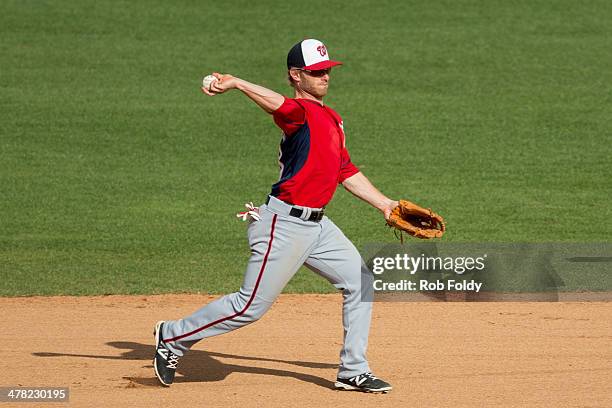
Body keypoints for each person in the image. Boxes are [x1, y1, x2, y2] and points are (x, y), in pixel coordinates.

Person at [153, 38, 398, 393]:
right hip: (284, 226)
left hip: (319, 227)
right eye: (316, 72)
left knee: (360, 283)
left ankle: (352, 370)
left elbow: (345, 170)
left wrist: (385, 204)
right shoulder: (298, 113)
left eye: (327, 70)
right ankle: (171, 336)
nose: (325, 76)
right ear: (296, 76)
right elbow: (277, 105)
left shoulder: (331, 118)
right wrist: (237, 83)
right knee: (248, 307)